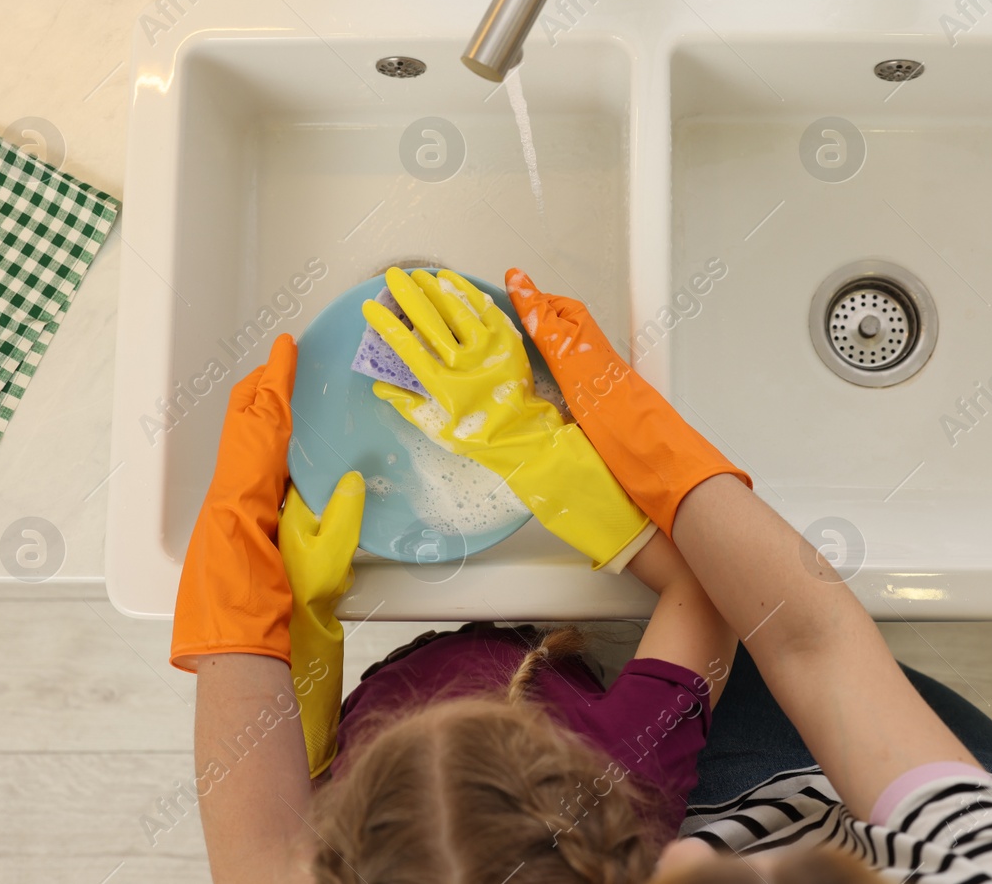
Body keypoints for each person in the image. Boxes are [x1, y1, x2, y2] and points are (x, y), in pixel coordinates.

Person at [504, 269, 992, 884]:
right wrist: (647, 443)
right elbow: (813, 646)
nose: (689, 850)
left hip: (677, 810)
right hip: (959, 818)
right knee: (747, 650)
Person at [167, 268, 745, 884]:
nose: (435, 709)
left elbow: (268, 830)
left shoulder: (292, 864)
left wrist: (297, 632)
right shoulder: (621, 781)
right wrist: (548, 465)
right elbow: (710, 592)